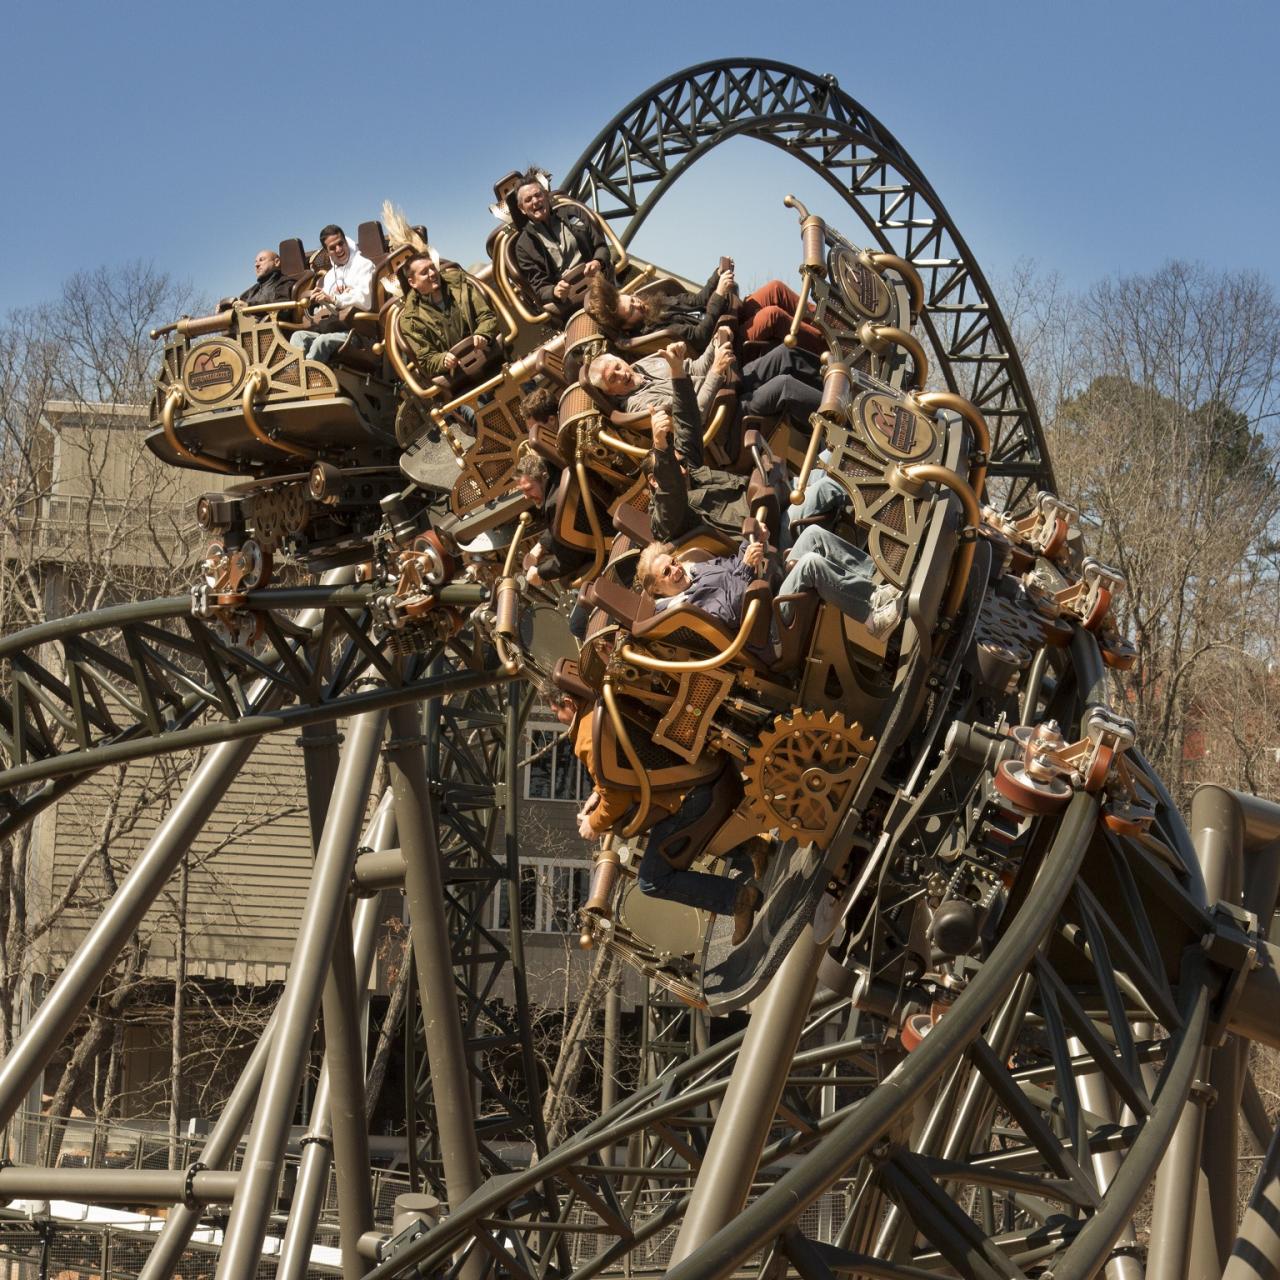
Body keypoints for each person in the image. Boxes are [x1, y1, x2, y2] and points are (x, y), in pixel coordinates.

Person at [558, 694, 762, 942]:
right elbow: (625, 766)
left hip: (690, 794)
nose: (559, 721)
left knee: (653, 879)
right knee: (674, 840)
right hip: (707, 771)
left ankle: (739, 899)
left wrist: (594, 823)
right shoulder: (604, 702)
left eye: (556, 713)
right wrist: (597, 795)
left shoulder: (586, 736)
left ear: (568, 702)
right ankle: (753, 847)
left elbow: (618, 799)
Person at [637, 524, 902, 642]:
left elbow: (732, 565)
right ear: (658, 589)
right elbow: (732, 612)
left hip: (769, 586)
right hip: (769, 622)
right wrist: (747, 566)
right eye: (666, 572)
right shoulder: (688, 607)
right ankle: (872, 617)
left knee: (812, 535)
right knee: (810, 563)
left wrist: (754, 543)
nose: (675, 569)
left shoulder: (695, 569)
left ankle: (880, 582)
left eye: (672, 562)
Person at [589, 339, 823, 428]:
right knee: (784, 386)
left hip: (726, 387)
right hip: (721, 419)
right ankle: (840, 417)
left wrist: (715, 341)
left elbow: (696, 368)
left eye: (618, 367)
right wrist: (717, 370)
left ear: (621, 360)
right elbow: (695, 415)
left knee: (784, 353)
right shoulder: (638, 405)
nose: (621, 374)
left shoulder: (645, 364)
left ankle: (843, 385)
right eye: (613, 378)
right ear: (611, 391)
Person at [511, 174, 612, 318]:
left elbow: (601, 246)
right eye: (528, 200)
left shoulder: (573, 212)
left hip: (600, 285)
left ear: (545, 195)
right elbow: (539, 288)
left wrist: (598, 262)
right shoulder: (523, 246)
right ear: (522, 208)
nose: (535, 201)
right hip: (570, 306)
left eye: (538, 195)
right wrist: (554, 291)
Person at [584, 262, 736, 354]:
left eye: (633, 300)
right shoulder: (656, 333)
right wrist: (719, 294)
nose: (638, 304)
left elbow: (696, 301)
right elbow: (700, 336)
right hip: (724, 335)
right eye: (632, 310)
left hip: (727, 313)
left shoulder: (655, 303)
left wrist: (717, 275)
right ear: (626, 326)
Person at [398, 252, 501, 382]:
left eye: (432, 267)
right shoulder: (410, 319)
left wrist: (483, 334)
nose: (432, 273)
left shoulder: (460, 283)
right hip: (458, 379)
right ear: (412, 282)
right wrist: (442, 360)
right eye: (424, 272)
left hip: (491, 355)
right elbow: (426, 360)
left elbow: (486, 316)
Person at [290, 224, 376, 364]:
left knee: (321, 342)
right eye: (332, 248)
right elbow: (327, 308)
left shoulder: (364, 265)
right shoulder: (329, 277)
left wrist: (334, 299)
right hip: (331, 328)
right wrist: (318, 301)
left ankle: (309, 381)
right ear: (326, 252)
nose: (339, 249)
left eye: (341, 243)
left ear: (345, 241)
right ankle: (293, 378)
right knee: (298, 337)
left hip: (358, 332)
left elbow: (365, 301)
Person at [737, 279, 827, 355]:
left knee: (775, 288)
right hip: (732, 340)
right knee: (772, 315)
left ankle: (831, 322)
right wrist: (721, 295)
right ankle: (829, 346)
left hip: (734, 313)